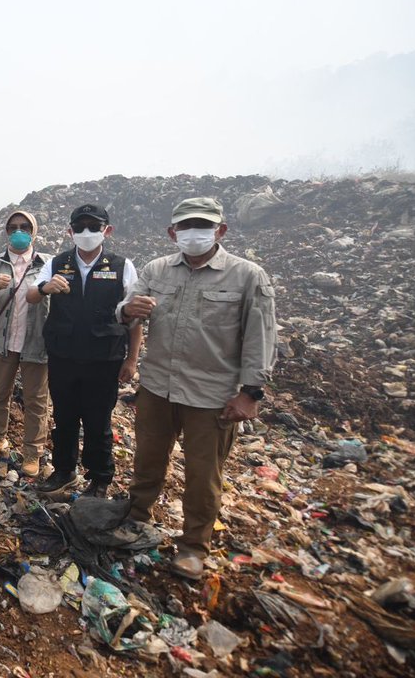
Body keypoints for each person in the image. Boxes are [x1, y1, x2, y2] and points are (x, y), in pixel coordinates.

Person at [119, 197, 277, 580]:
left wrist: (250, 393)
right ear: (173, 233)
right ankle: (138, 516)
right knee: (148, 459)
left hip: (211, 396)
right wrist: (128, 311)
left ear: (220, 230)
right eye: (186, 226)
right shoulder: (157, 270)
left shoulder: (247, 276)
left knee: (203, 474)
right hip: (157, 386)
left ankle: (193, 545)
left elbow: (261, 336)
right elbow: (126, 309)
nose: (194, 233)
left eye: (202, 226)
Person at [28, 204, 140, 498]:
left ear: (107, 230)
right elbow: (30, 295)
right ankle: (64, 471)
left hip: (104, 358)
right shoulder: (58, 263)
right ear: (70, 231)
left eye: (94, 226)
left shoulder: (122, 266)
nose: (86, 233)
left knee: (98, 420)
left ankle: (100, 477)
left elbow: (134, 316)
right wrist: (45, 288)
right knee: (64, 417)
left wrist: (131, 360)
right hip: (64, 355)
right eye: (79, 227)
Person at [0, 210, 52, 475]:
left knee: (36, 400)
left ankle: (32, 451)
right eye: (13, 227)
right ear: (6, 232)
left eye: (24, 226)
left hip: (36, 341)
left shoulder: (47, 263)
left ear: (33, 231)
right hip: (3, 341)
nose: (18, 231)